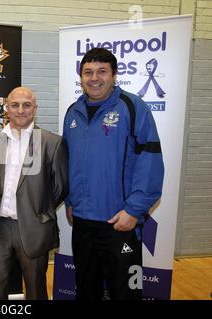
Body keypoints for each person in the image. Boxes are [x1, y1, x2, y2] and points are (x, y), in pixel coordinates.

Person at [62, 48, 164, 300]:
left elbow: (150, 160)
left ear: (114, 75)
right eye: (88, 72)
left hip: (120, 222)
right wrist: (70, 201)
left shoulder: (133, 106)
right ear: (81, 78)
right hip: (83, 221)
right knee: (87, 290)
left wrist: (134, 210)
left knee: (126, 293)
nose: (94, 78)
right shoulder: (72, 112)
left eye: (101, 72)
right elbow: (67, 161)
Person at [0, 86, 69, 300]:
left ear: (35, 109)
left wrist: (37, 209)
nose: (21, 110)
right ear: (7, 108)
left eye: (27, 105)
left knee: (35, 289)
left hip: (33, 228)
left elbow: (60, 187)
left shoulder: (51, 142)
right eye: (15, 105)